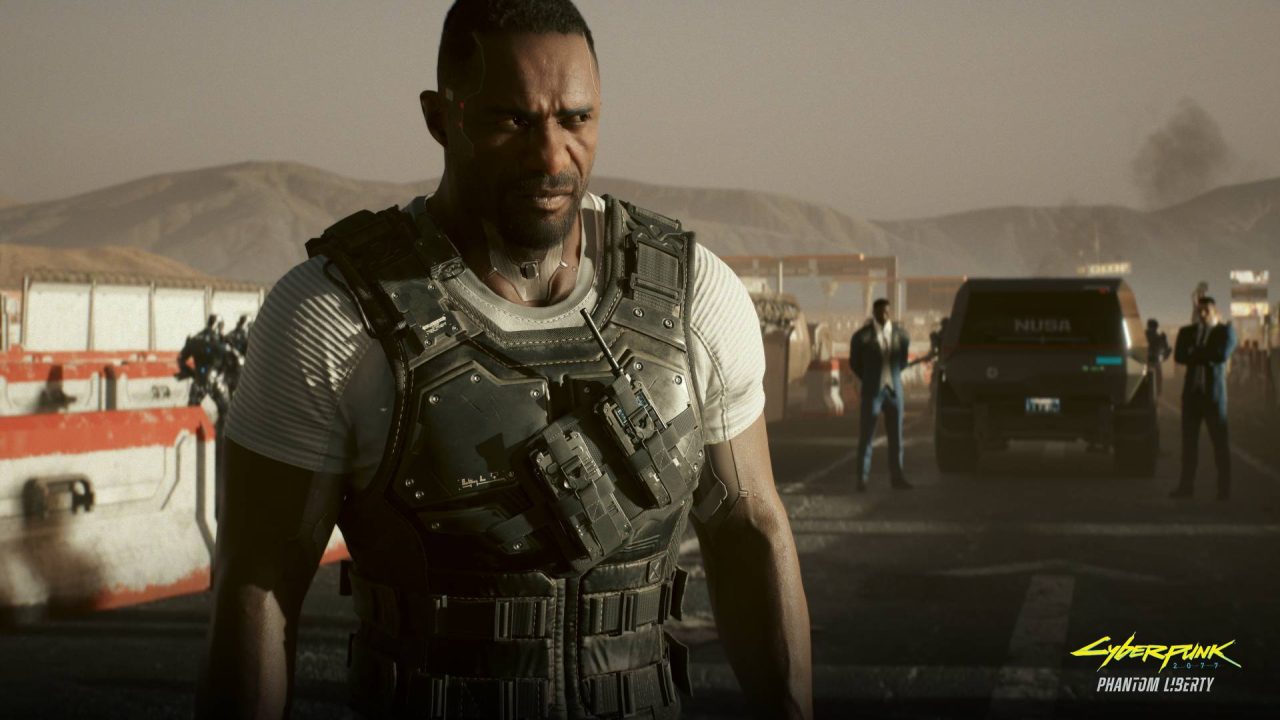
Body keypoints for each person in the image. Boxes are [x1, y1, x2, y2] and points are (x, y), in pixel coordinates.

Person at [197, 2, 812, 719]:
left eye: (576, 119)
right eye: (511, 121)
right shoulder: (332, 315)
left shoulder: (695, 295)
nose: (551, 157)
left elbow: (750, 529)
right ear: (439, 118)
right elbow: (258, 586)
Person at [1171, 296, 1237, 501]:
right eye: (1199, 310)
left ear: (1215, 311)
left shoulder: (1225, 331)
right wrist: (1205, 354)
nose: (1202, 314)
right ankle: (1186, 486)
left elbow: (1220, 355)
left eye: (1206, 310)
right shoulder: (1187, 332)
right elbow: (1179, 356)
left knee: (1220, 445)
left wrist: (1195, 353)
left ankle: (1224, 490)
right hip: (1192, 396)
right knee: (1188, 446)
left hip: (1214, 398)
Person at [849, 298, 912, 491]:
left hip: (894, 392)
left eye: (886, 311)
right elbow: (855, 363)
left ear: (890, 312)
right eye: (880, 312)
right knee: (866, 436)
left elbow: (902, 361)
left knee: (896, 437)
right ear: (874, 313)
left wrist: (891, 376)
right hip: (872, 392)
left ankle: (897, 477)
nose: (884, 315)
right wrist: (870, 377)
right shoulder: (862, 337)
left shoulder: (901, 335)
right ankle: (862, 479)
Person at [176, 314, 228, 420]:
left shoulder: (195, 338)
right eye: (221, 326)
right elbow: (227, 359)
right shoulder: (218, 340)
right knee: (226, 412)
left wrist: (192, 373)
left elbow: (180, 359)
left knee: (192, 413)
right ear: (216, 325)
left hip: (198, 380)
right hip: (215, 381)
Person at [1145, 318, 1172, 396]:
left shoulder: (1147, 335)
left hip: (1149, 363)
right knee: (1157, 384)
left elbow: (1165, 352)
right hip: (1154, 363)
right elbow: (1165, 351)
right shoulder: (1159, 337)